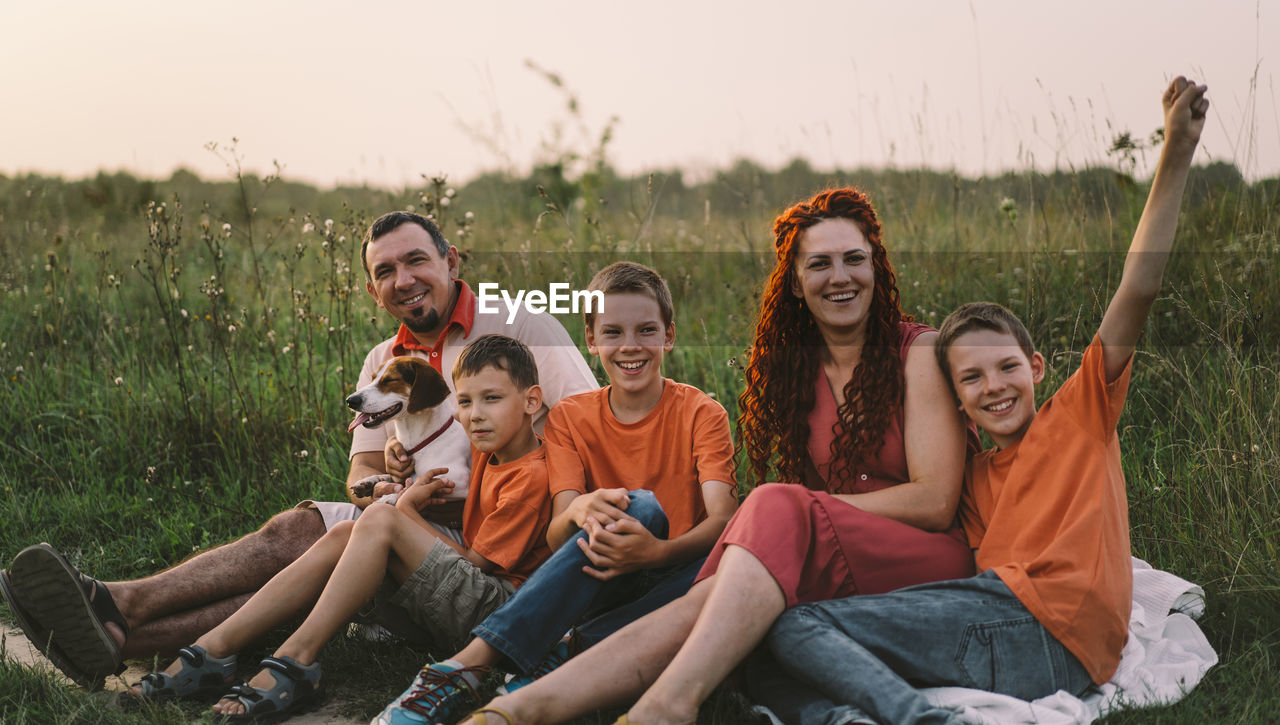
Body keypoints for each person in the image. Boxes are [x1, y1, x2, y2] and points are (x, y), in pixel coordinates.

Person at [755, 76, 1210, 725]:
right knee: (766, 646)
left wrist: (1176, 151)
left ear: (1037, 366)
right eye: (970, 379)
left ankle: (916, 717)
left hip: (1048, 626)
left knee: (795, 628)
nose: (992, 385)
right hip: (995, 633)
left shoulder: (1081, 415)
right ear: (956, 401)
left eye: (1005, 368)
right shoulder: (972, 479)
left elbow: (1139, 286)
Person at [443, 186, 977, 725]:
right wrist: (800, 514)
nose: (840, 276)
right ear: (795, 280)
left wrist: (804, 511)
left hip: (926, 552)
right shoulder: (795, 374)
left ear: (876, 266)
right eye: (820, 263)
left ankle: (642, 700)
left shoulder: (918, 352)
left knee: (766, 512)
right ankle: (523, 709)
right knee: (728, 587)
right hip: (836, 553)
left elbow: (935, 502)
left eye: (854, 259)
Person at [0, 211, 597, 688]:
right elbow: (360, 471)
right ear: (372, 289)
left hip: (495, 533)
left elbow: (582, 429)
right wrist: (384, 486)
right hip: (408, 515)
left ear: (451, 261)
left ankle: (117, 610)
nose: (405, 279)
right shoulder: (382, 364)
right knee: (296, 531)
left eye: (417, 260)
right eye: (386, 271)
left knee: (320, 545)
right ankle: (120, 630)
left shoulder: (519, 324)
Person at [372, 261, 739, 725]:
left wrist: (655, 553)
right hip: (602, 571)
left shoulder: (702, 412)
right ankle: (466, 668)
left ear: (668, 335)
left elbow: (723, 520)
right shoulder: (570, 417)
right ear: (590, 339)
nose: (630, 346)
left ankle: (552, 653)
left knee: (689, 540)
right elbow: (558, 529)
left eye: (646, 330)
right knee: (631, 505)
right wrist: (582, 506)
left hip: (673, 574)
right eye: (612, 332)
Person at [118, 335, 553, 721]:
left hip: (499, 613)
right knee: (348, 532)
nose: (474, 416)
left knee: (383, 516)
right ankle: (214, 648)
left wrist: (406, 511)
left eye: (491, 400)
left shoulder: (529, 475)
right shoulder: (488, 452)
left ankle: (296, 655)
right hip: (465, 597)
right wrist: (400, 468)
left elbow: (478, 564)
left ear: (532, 402)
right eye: (465, 402)